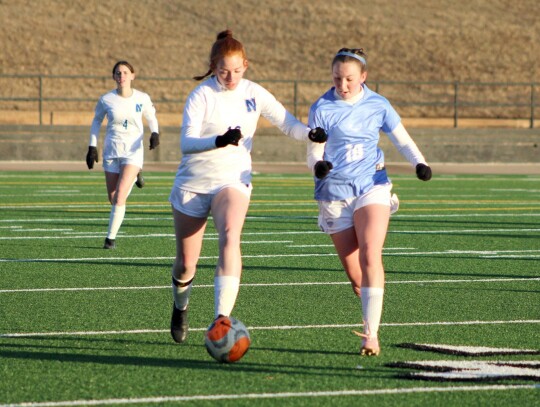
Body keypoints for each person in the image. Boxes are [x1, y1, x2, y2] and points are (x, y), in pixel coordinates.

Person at [168, 29, 327, 343]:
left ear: (246, 65)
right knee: (186, 264)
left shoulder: (254, 92)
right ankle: (180, 305)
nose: (231, 77)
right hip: (194, 182)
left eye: (237, 70)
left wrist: (309, 134)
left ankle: (221, 319)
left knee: (230, 235)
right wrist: (219, 140)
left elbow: (287, 123)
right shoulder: (201, 95)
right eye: (224, 71)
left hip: (234, 179)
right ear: (213, 67)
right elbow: (186, 143)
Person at [307, 48, 432, 356]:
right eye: (337, 78)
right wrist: (317, 166)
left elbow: (401, 138)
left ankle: (371, 335)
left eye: (349, 78)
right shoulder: (321, 107)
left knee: (371, 253)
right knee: (357, 277)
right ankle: (367, 312)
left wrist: (419, 162)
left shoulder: (378, 104)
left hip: (371, 186)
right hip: (335, 194)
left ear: (363, 77)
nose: (343, 85)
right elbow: (313, 150)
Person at [86, 60, 160, 249]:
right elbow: (96, 122)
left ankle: (110, 239)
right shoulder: (106, 99)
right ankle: (135, 178)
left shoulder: (142, 98)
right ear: (113, 77)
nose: (122, 76)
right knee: (113, 197)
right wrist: (92, 147)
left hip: (133, 151)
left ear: (132, 75)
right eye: (118, 73)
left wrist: (155, 133)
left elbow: (151, 116)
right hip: (112, 151)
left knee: (120, 197)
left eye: (125, 73)